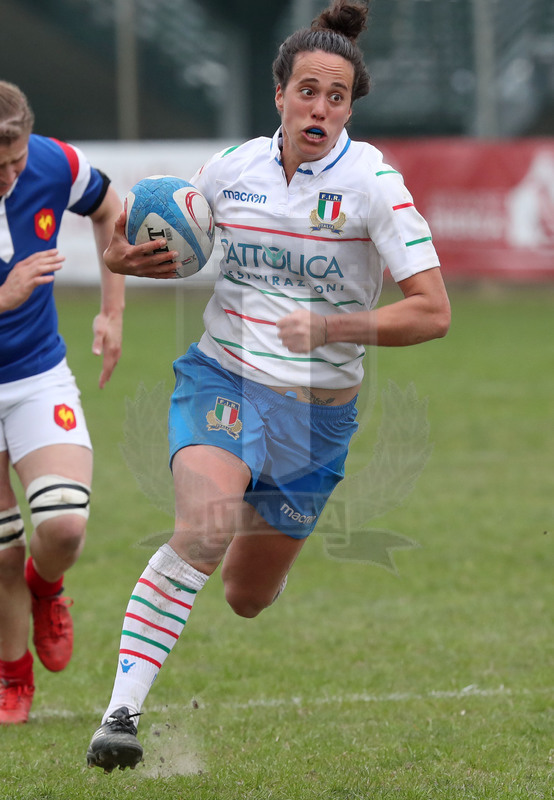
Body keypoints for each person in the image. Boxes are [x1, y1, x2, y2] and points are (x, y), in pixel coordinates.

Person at [86, 0, 450, 773]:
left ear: (351, 106)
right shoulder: (231, 169)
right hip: (226, 377)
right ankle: (122, 711)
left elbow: (433, 312)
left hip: (317, 422)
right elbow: (152, 242)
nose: (320, 108)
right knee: (204, 527)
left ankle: (262, 518)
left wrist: (333, 329)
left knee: (247, 595)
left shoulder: (374, 185)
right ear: (279, 93)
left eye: (337, 96)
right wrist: (123, 260)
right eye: (307, 91)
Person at [0, 81, 125, 724]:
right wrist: (5, 295)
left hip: (35, 375)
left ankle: (45, 586)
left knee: (64, 525)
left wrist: (112, 310)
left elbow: (110, 208)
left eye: (15, 161)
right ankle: (11, 674)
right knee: (0, 546)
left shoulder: (54, 164)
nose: (10, 176)